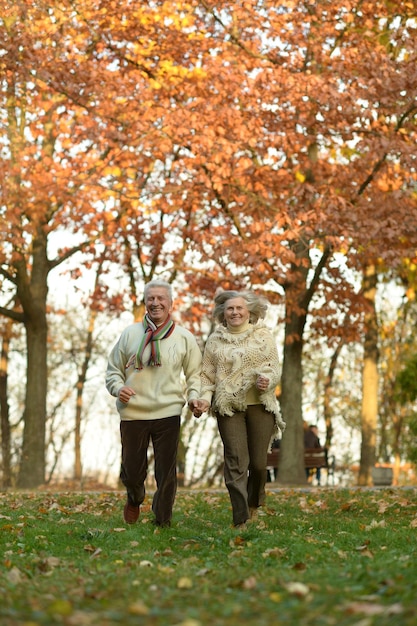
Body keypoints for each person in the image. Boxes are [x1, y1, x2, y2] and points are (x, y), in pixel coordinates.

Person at [106, 280, 202, 527]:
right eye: (151, 298)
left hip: (168, 411)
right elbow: (113, 371)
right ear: (145, 302)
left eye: (161, 298)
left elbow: (195, 375)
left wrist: (194, 398)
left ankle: (162, 520)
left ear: (170, 303)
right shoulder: (129, 334)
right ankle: (135, 498)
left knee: (166, 472)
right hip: (133, 413)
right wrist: (119, 388)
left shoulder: (184, 338)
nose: (156, 303)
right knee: (133, 471)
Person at [193, 290, 285, 528]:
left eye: (239, 308)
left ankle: (254, 502)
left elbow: (274, 368)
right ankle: (240, 517)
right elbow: (206, 375)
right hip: (228, 405)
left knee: (257, 464)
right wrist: (203, 398)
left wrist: (267, 380)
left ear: (249, 311)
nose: (234, 312)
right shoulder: (216, 340)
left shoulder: (263, 335)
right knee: (235, 460)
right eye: (230, 308)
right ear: (223, 313)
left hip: (260, 406)